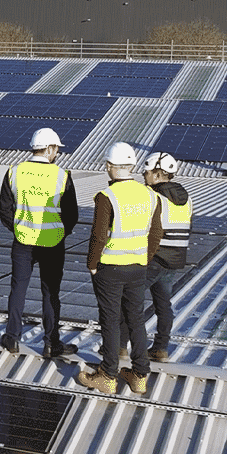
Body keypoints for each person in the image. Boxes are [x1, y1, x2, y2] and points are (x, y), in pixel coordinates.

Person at [79, 142, 163, 394]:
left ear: (109, 167)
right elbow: (157, 231)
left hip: (111, 269)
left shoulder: (107, 197)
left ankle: (108, 374)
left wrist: (92, 264)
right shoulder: (150, 195)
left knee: (111, 320)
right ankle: (139, 375)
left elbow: (98, 236)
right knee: (136, 319)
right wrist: (144, 258)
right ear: (133, 166)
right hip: (138, 268)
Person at [0, 127, 81, 359]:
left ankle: (12, 338)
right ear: (50, 149)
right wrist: (63, 232)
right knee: (51, 293)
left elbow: (4, 208)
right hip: (53, 243)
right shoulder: (62, 176)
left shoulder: (14, 172)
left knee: (18, 289)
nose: (57, 154)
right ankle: (51, 343)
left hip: (23, 240)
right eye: (57, 150)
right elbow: (72, 214)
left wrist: (17, 228)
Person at [142, 152, 191, 363]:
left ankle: (120, 347)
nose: (144, 174)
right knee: (163, 304)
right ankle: (160, 348)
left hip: (155, 256)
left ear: (158, 172)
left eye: (147, 170)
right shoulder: (187, 198)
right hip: (175, 258)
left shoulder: (153, 196)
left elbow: (144, 227)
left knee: (129, 299)